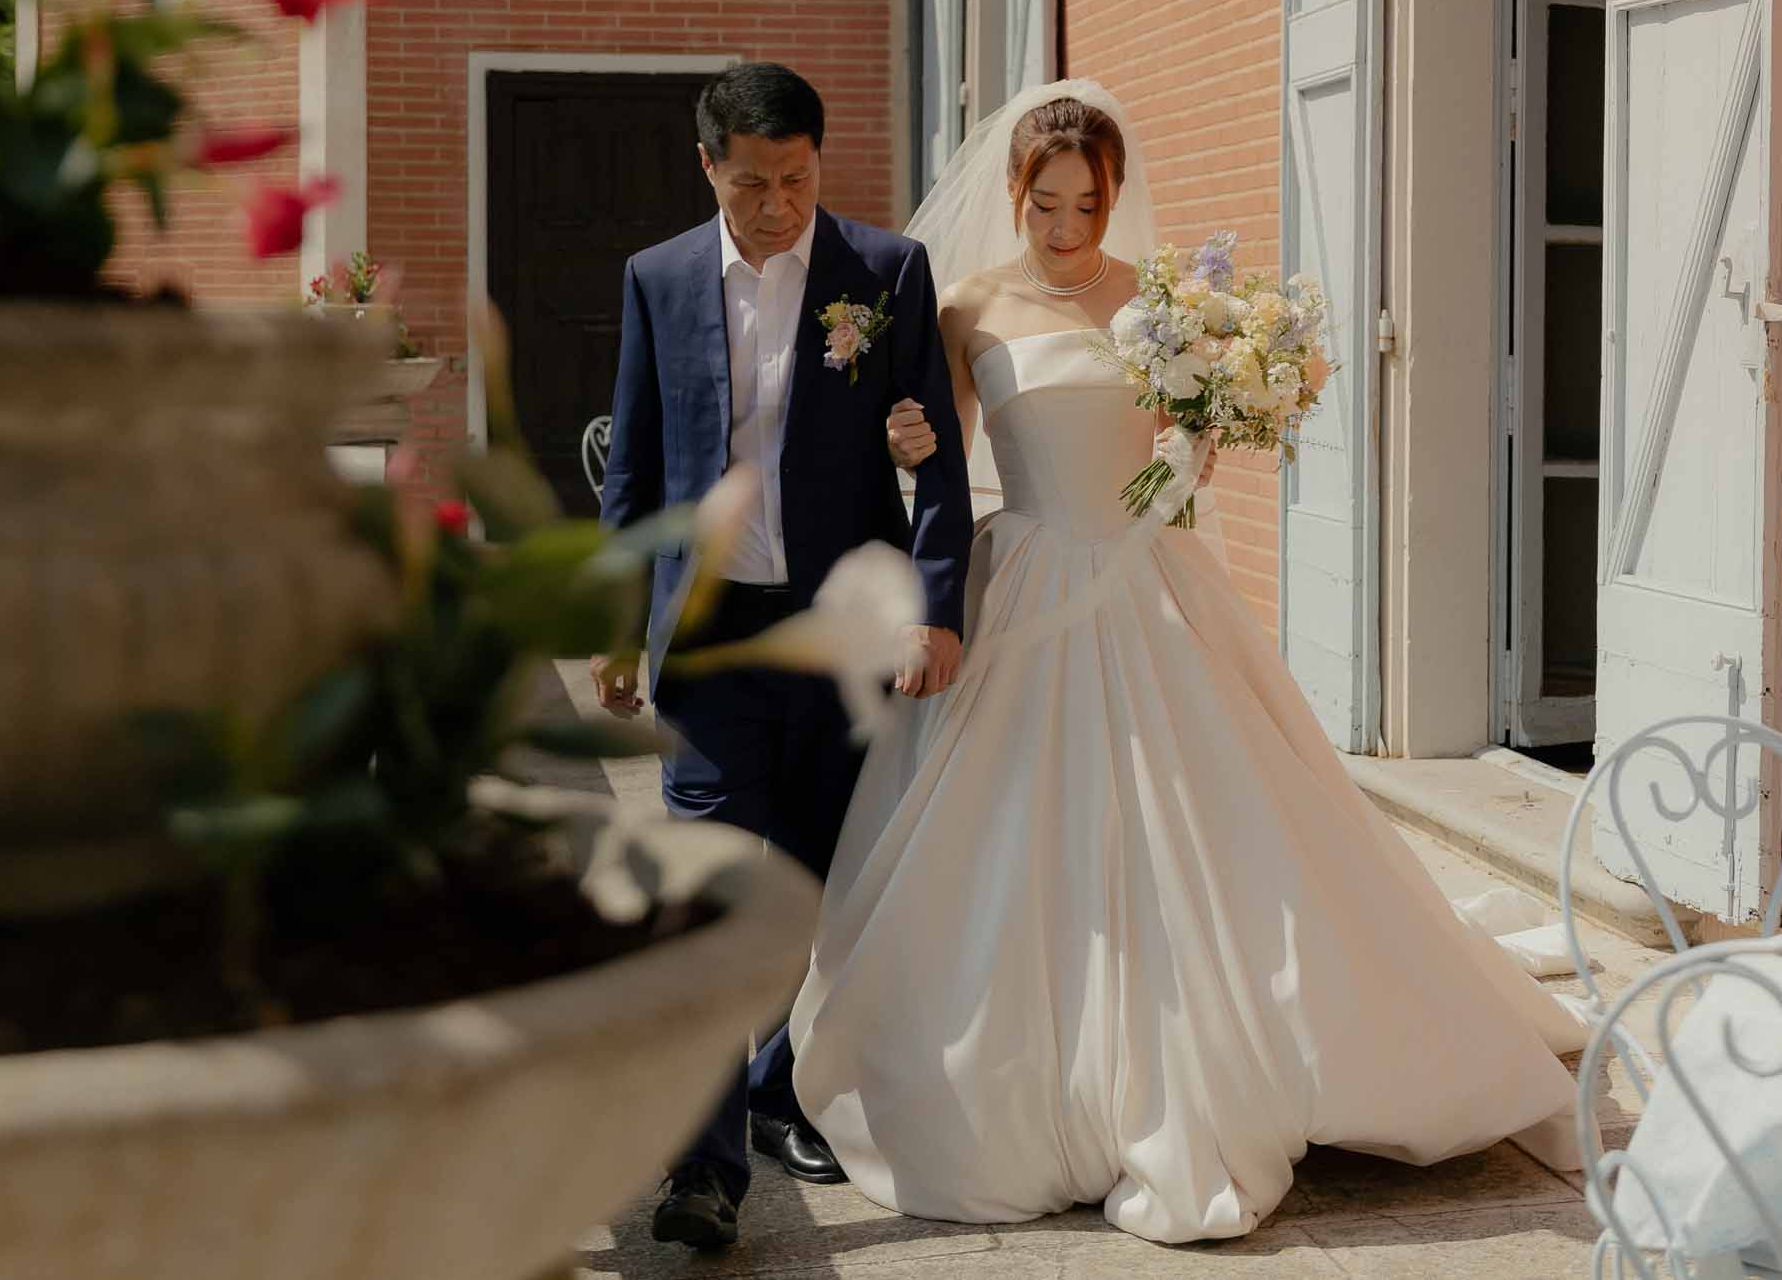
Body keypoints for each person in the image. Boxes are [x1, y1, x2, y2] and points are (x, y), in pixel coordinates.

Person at [784, 80, 1593, 1245]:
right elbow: (944, 466)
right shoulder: (966, 303)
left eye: (1086, 205)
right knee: (1023, 836)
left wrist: (1196, 443)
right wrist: (909, 448)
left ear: (1114, 199)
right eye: (1044, 204)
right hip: (1030, 583)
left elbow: (1185, 425)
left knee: (1220, 815)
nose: (1064, 230)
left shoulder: (1164, 302)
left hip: (1149, 577)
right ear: (1013, 194)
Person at [591, 61, 974, 1250]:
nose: (776, 206)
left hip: (837, 640)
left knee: (808, 892)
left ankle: (769, 1086)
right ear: (707, 166)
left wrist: (941, 605)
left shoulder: (883, 272)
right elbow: (640, 468)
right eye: (751, 184)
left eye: (797, 180)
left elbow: (935, 456)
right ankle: (701, 1173)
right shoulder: (656, 280)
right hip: (707, 642)